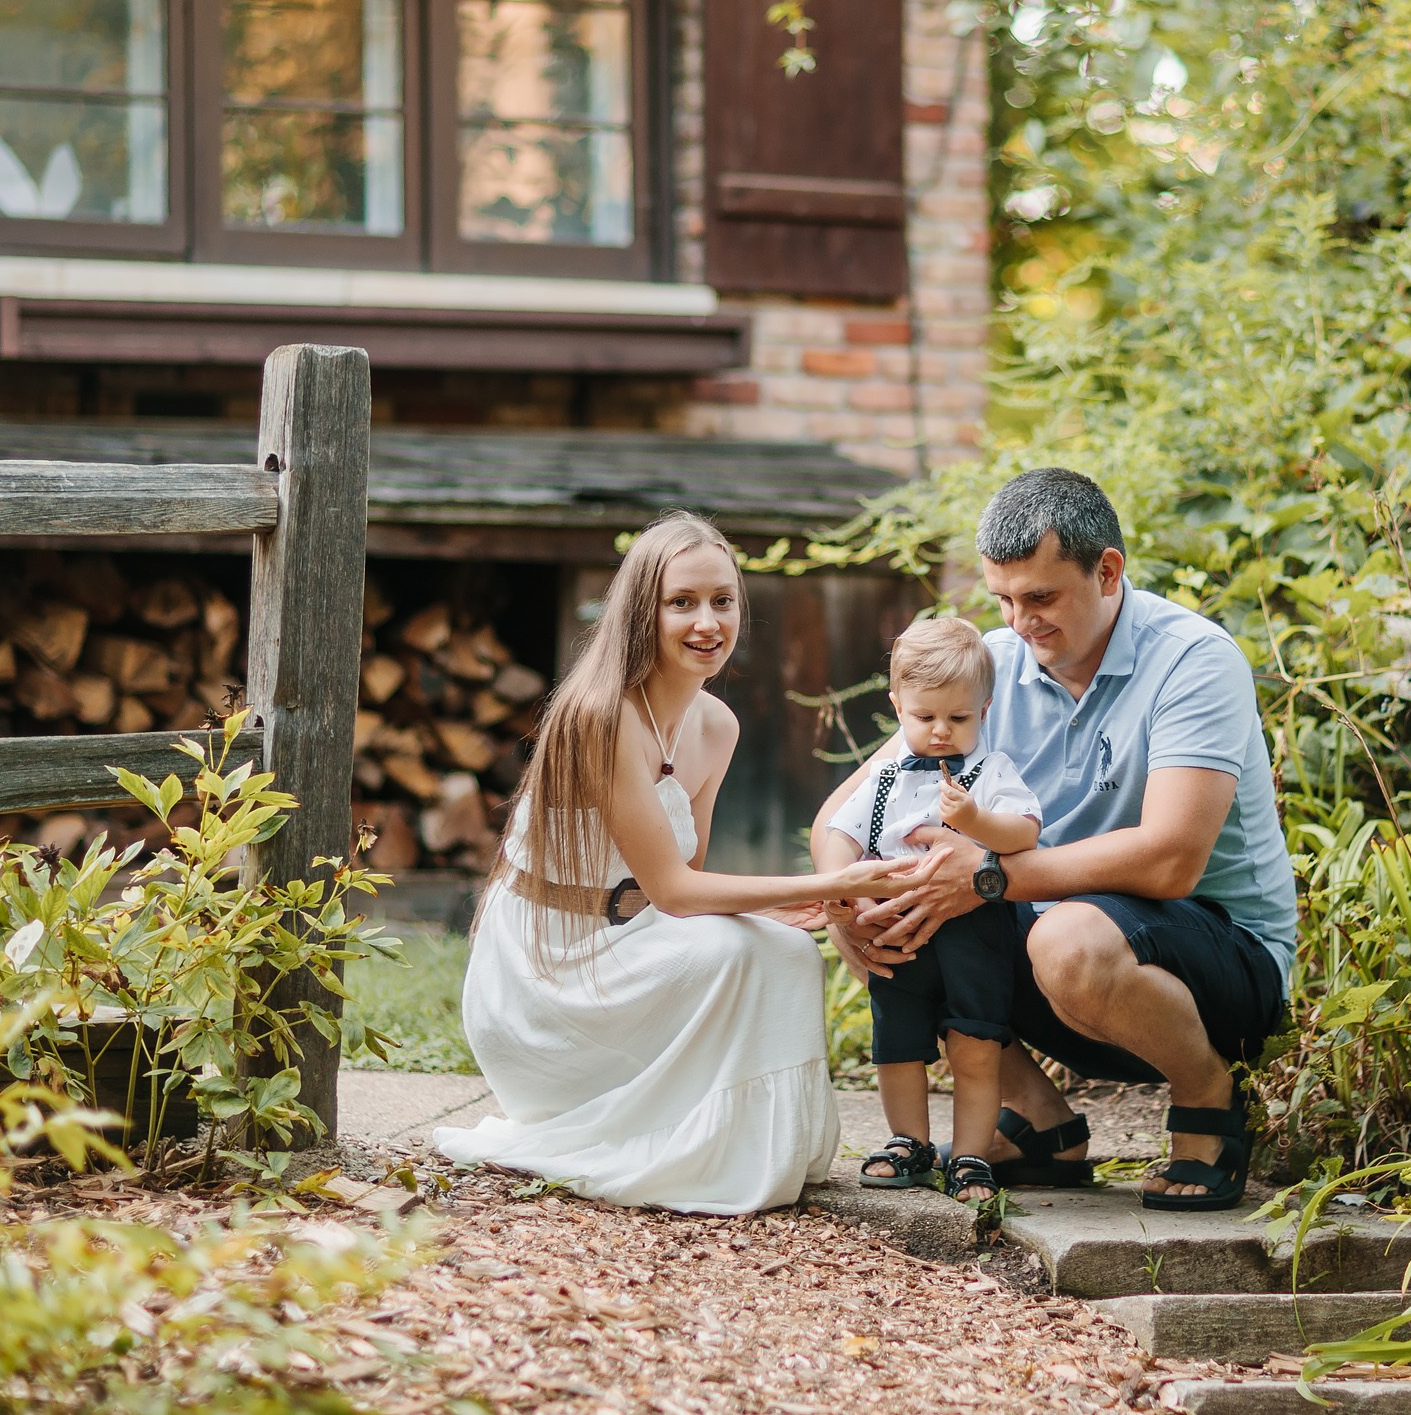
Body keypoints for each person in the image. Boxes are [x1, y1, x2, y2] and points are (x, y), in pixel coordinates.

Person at [816, 469, 1296, 1211]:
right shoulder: (992, 669)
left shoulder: (1194, 660)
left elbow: (1172, 859)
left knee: (1065, 937)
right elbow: (838, 817)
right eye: (1003, 598)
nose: (1019, 621)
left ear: (1108, 571)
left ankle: (1208, 1093)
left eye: (1040, 597)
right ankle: (1041, 1125)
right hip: (1064, 958)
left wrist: (988, 878)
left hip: (1216, 967)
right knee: (900, 910)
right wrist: (846, 905)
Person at [438, 512, 913, 1214]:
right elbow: (677, 891)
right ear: (642, 612)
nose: (707, 622)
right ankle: (693, 1150)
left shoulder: (715, 725)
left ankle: (754, 1152)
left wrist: (781, 905)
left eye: (722, 600)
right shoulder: (599, 715)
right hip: (547, 975)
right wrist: (833, 880)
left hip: (632, 938)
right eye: (682, 602)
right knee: (737, 951)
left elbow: (680, 877)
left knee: (786, 952)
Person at [822, 616, 1043, 1203]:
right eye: (925, 718)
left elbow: (1024, 832)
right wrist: (847, 887)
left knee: (974, 1042)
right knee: (898, 1041)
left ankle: (972, 1155)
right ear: (898, 707)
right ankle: (909, 1143)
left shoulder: (989, 772)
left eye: (959, 718)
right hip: (900, 928)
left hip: (973, 932)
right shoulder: (885, 777)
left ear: (985, 709)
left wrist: (973, 821)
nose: (942, 732)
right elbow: (841, 831)